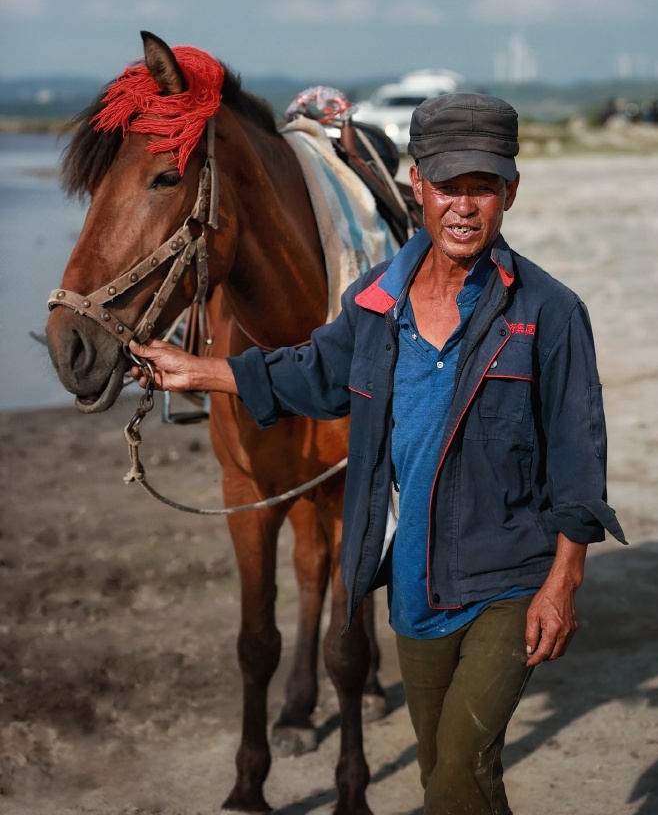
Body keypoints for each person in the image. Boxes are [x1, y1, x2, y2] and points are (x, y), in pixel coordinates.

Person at [130, 92, 625, 815]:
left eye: (482, 187)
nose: (463, 206)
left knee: (457, 775)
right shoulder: (374, 303)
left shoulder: (550, 312)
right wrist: (198, 371)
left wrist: (564, 581)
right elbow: (313, 374)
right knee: (451, 777)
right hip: (415, 593)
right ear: (417, 186)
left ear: (510, 192)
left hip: (509, 584)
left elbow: (581, 458)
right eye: (447, 185)